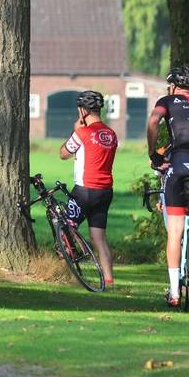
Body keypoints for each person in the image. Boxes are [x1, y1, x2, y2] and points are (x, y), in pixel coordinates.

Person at [146, 65, 189, 307]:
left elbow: (154, 121)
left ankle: (175, 292)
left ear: (174, 86)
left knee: (175, 231)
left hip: (180, 165)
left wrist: (153, 153)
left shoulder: (167, 100)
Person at [59, 90, 118, 287]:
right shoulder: (111, 134)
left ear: (82, 111)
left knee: (64, 229)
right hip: (105, 191)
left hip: (84, 191)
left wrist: (75, 130)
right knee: (99, 237)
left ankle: (67, 274)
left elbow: (64, 154)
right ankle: (109, 280)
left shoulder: (82, 132)